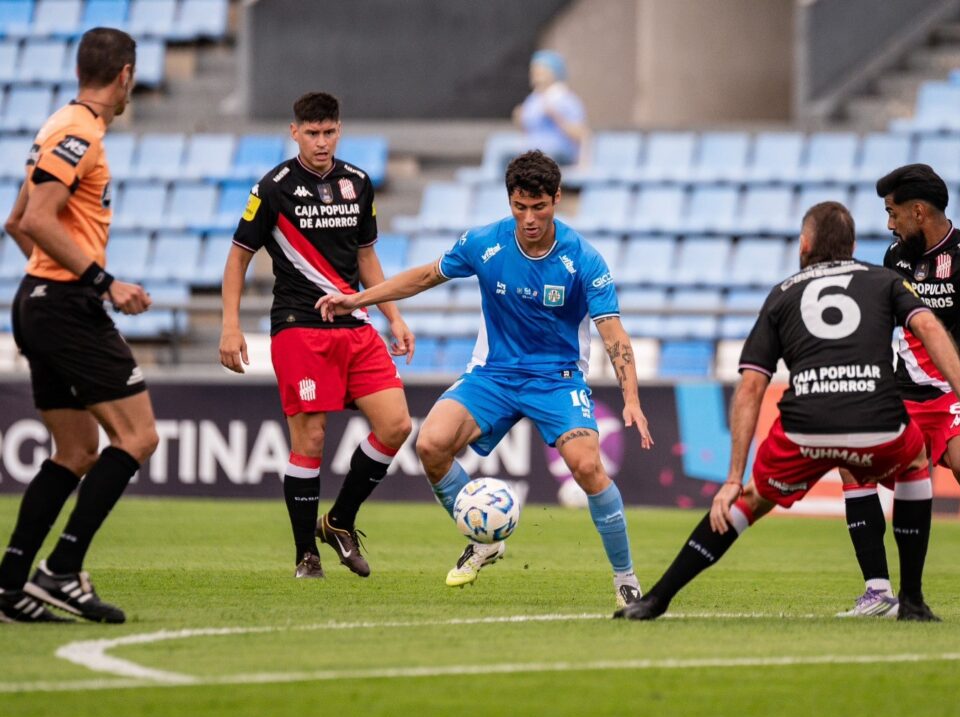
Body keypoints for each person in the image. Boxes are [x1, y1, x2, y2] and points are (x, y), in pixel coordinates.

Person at [615, 202, 960, 622]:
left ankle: (657, 598)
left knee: (748, 501)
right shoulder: (884, 280)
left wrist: (732, 478)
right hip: (877, 423)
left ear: (804, 244)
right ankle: (911, 599)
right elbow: (929, 328)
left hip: (805, 429)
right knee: (914, 461)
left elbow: (751, 386)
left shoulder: (783, 293)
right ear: (853, 246)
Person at [317, 150, 653, 606]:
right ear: (510, 201)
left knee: (589, 467)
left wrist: (630, 396)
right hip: (493, 374)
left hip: (557, 379)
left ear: (557, 198)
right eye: (520, 206)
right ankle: (484, 537)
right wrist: (357, 300)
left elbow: (613, 333)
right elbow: (423, 277)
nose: (529, 218)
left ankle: (625, 580)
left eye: (539, 206)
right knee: (430, 445)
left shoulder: (584, 260)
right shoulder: (486, 243)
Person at [0, 28, 159, 624]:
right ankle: (61, 571)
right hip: (65, 306)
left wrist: (49, 282)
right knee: (138, 437)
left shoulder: (56, 124)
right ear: (124, 75)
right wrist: (103, 283)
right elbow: (37, 220)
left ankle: (11, 585)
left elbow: (17, 221)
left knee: (74, 450)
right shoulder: (79, 132)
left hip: (41, 301)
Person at [219, 92, 413, 580]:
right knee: (311, 436)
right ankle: (307, 553)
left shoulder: (358, 183)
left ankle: (340, 521)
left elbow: (366, 257)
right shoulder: (274, 188)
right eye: (312, 133)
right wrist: (229, 324)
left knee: (396, 426)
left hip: (354, 323)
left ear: (339, 130)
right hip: (299, 326)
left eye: (329, 132)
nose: (322, 142)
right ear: (294, 132)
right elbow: (239, 255)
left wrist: (392, 315)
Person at [839, 164, 960, 618]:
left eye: (893, 213)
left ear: (918, 211)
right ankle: (878, 592)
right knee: (852, 464)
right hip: (905, 394)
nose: (889, 224)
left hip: (958, 393)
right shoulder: (895, 258)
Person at [512, 50, 589, 166]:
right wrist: (519, 119)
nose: (536, 75)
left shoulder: (567, 100)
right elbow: (528, 130)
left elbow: (582, 134)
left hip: (558, 153)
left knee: (539, 159)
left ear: (554, 72)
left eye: (541, 71)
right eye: (534, 71)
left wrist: (556, 116)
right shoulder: (532, 100)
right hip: (531, 148)